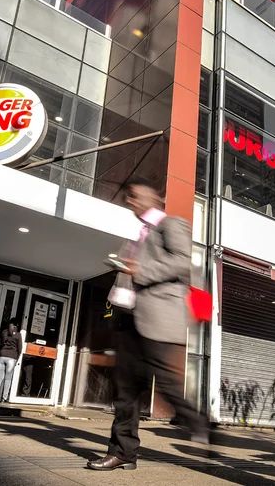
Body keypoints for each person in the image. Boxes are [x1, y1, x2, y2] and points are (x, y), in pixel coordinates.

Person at [87, 178, 209, 472]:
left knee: (166, 383)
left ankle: (200, 425)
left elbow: (182, 263)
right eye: (128, 197)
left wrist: (141, 270)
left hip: (158, 319)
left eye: (135, 195)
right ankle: (123, 453)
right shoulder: (138, 234)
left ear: (154, 196)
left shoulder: (171, 225)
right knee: (125, 391)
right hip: (131, 317)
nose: (130, 201)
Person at [0, 322, 22, 402]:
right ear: (16, 326)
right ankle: (4, 398)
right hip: (11, 358)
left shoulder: (4, 333)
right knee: (8, 379)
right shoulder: (18, 335)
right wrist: (16, 358)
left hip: (1, 356)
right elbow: (20, 349)